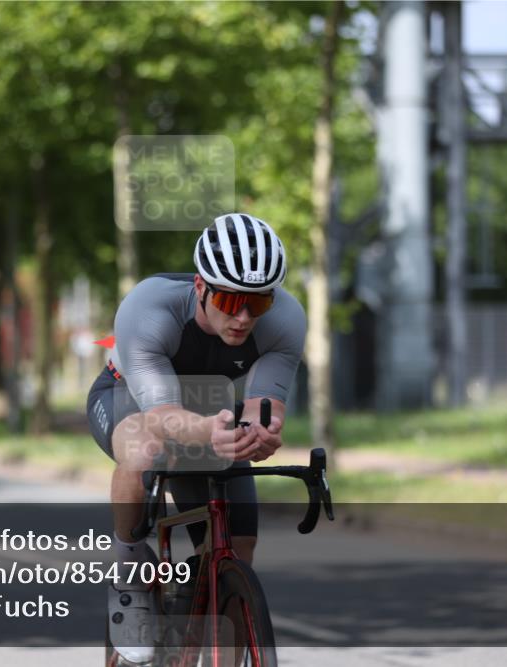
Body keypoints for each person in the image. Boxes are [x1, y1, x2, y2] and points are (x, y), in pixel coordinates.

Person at [86, 213, 307, 663]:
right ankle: (129, 571)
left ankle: (205, 605)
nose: (243, 317)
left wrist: (261, 433)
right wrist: (211, 433)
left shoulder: (286, 318)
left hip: (211, 407)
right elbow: (162, 415)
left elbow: (265, 403)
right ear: (201, 286)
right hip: (132, 398)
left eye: (257, 303)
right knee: (144, 450)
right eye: (229, 300)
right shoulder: (149, 308)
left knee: (238, 549)